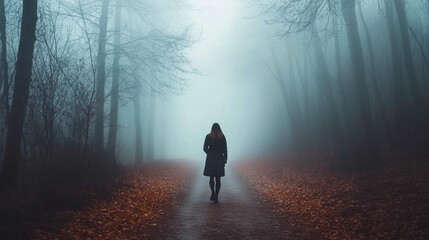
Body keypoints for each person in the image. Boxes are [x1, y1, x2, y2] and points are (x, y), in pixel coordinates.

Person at [203, 123, 228, 203]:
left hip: (211, 159)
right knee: (218, 178)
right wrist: (225, 159)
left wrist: (209, 153)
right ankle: (216, 195)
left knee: (211, 177)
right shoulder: (222, 137)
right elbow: (225, 149)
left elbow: (204, 148)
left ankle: (213, 192)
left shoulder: (208, 136)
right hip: (219, 159)